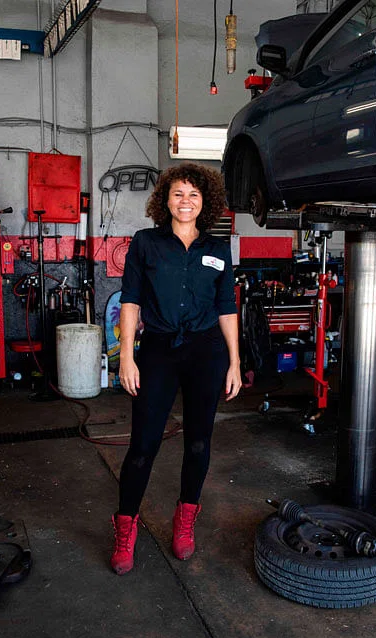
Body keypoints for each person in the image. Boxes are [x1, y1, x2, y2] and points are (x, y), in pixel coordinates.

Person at [110, 162, 242, 575]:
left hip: (206, 351)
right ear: (165, 199)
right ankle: (125, 530)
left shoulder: (218, 249)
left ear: (206, 202)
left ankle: (185, 522)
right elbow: (130, 299)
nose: (186, 202)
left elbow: (226, 307)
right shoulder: (146, 243)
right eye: (178, 194)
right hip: (158, 351)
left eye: (194, 195)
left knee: (199, 444)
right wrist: (127, 356)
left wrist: (235, 362)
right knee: (142, 447)